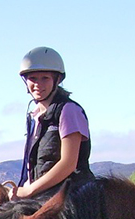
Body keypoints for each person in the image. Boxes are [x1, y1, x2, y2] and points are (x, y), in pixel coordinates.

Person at [12, 47, 93, 200]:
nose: (38, 84)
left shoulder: (69, 111)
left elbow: (68, 164)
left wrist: (29, 191)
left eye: (45, 78)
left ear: (57, 80)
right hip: (43, 196)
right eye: (33, 78)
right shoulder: (34, 116)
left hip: (71, 196)